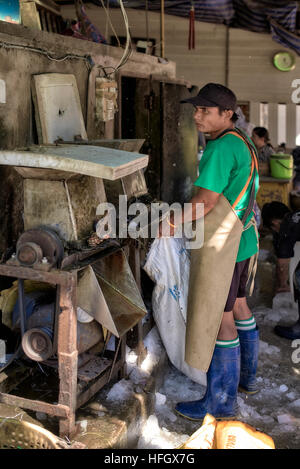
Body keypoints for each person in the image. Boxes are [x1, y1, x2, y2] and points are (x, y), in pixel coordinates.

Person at [161, 83, 260, 420]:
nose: (197, 115)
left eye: (205, 110)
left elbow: (205, 202)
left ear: (227, 114)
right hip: (244, 241)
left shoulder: (220, 149)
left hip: (225, 246)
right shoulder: (242, 141)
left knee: (221, 320)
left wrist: (170, 224)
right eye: (196, 109)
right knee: (240, 308)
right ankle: (246, 379)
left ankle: (219, 403)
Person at [261, 201, 300, 339]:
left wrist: (283, 285)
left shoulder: (285, 228)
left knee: (299, 276)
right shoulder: (295, 216)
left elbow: (283, 264)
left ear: (275, 223)